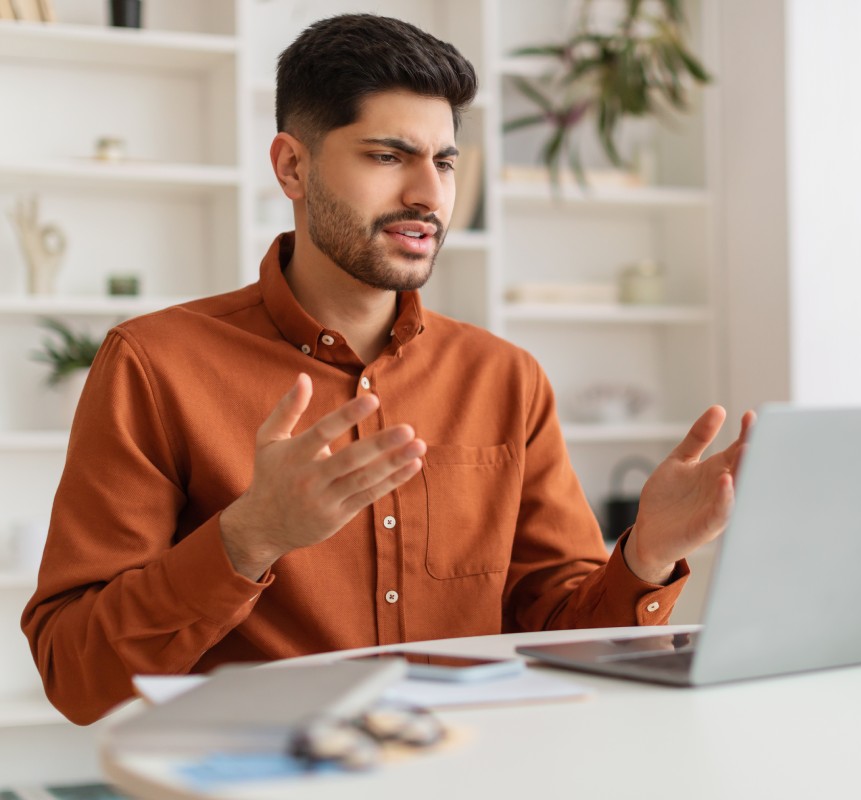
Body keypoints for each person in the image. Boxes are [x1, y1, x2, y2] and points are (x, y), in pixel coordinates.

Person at [21, 13, 753, 726]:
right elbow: (78, 678)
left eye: (443, 161)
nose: (428, 195)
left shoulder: (506, 378)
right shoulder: (155, 365)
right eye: (387, 156)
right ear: (292, 165)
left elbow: (558, 629)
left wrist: (647, 556)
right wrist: (247, 539)